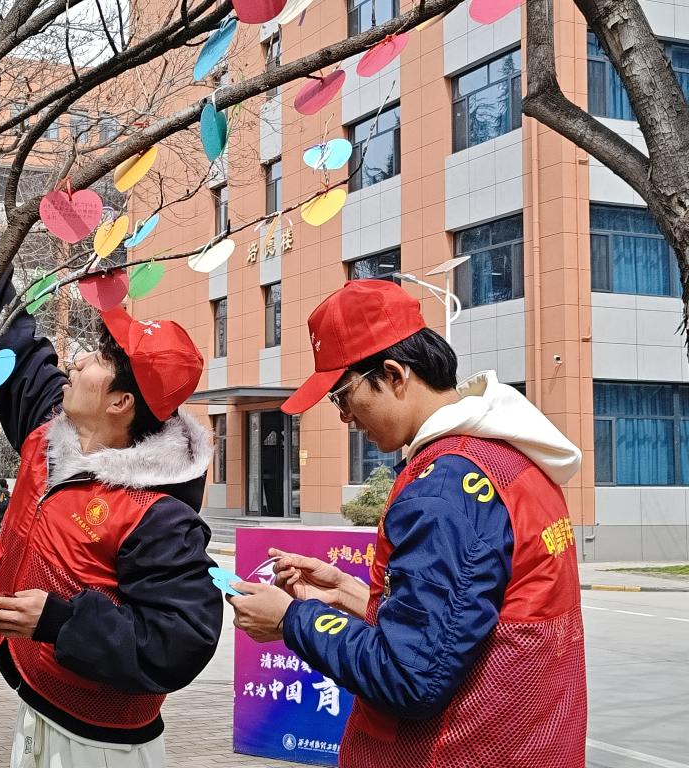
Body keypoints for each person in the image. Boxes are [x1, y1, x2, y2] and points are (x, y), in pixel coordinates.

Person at [229, 279, 587, 768]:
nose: (345, 418)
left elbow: (409, 676)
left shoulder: (443, 489)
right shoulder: (509, 459)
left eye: (342, 395)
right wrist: (349, 594)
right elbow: (465, 624)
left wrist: (292, 620)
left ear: (395, 375)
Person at [0, 209, 222, 768]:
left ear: (121, 402)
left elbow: (181, 639)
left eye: (101, 359)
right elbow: (9, 337)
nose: (79, 358)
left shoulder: (158, 515)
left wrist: (60, 622)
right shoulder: (51, 431)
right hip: (37, 702)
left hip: (102, 744)